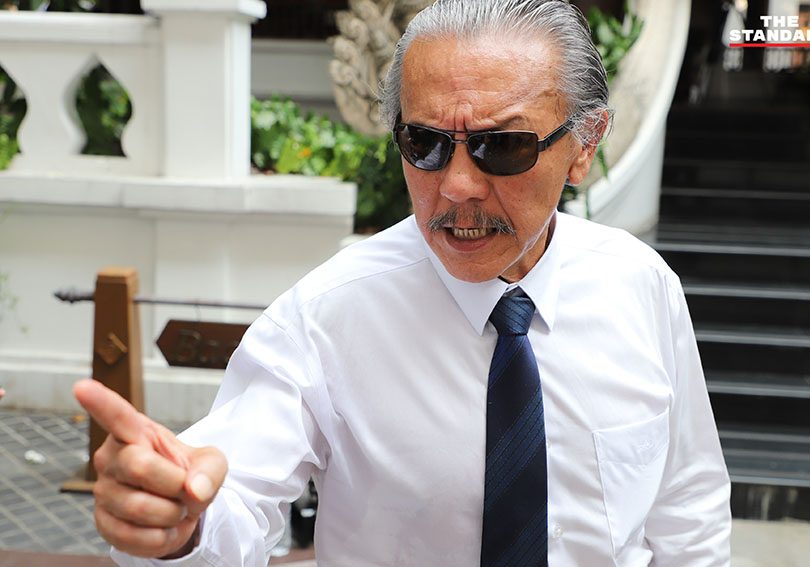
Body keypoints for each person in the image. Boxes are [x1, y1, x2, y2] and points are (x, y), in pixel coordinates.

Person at [74, 1, 732, 565]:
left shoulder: (642, 288)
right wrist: (179, 523)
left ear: (584, 145)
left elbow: (687, 510)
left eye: (503, 146)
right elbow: (233, 494)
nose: (457, 185)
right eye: (425, 144)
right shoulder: (327, 316)